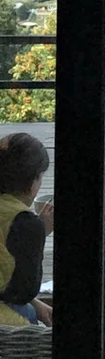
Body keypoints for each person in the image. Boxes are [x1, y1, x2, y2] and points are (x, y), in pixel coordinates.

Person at [0, 131, 53, 327]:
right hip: (6, 333)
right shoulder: (26, 223)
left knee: (31, 309)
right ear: (33, 182)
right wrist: (40, 233)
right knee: (27, 316)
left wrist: (37, 304)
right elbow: (23, 289)